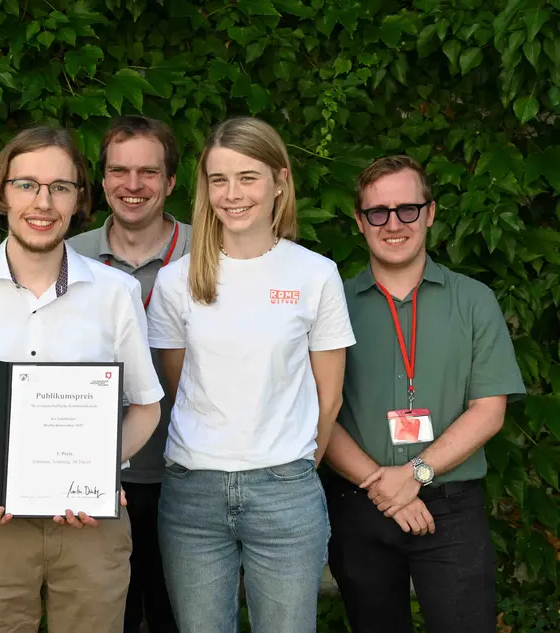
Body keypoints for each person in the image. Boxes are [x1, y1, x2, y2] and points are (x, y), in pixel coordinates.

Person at [0, 126, 164, 633]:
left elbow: (146, 406)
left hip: (90, 529)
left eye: (60, 187)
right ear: (2, 192)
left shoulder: (115, 293)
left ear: (79, 199)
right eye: (27, 184)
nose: (43, 202)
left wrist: (100, 468)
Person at [146, 116, 355, 633]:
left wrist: (293, 465)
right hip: (192, 493)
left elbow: (329, 397)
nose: (232, 194)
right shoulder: (176, 281)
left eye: (248, 177)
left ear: (280, 181)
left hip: (285, 491)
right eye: (219, 180)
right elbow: (176, 387)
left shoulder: (315, 274)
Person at [323, 155, 526, 633]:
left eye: (407, 209)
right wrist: (384, 485)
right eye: (378, 212)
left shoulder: (474, 300)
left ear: (430, 213)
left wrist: (415, 474)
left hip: (451, 507)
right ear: (360, 221)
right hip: (361, 504)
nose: (393, 224)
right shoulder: (330, 304)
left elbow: (489, 410)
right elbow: (317, 414)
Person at [68, 115, 186, 633]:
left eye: (148, 173)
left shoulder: (210, 255)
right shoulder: (67, 258)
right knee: (103, 616)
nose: (132, 186)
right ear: (102, 179)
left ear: (171, 181)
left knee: (174, 616)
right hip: (98, 475)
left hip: (188, 473)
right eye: (119, 171)